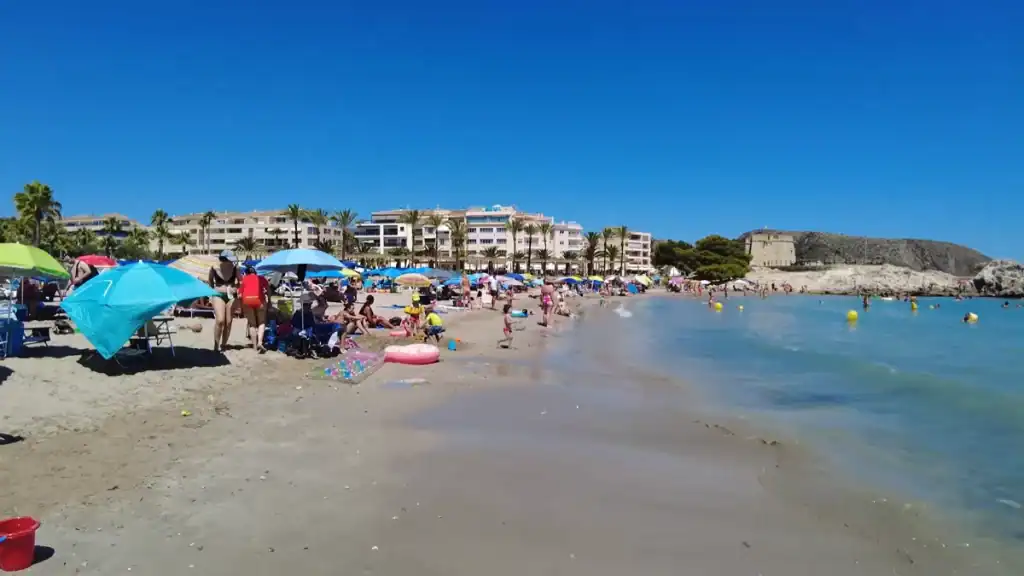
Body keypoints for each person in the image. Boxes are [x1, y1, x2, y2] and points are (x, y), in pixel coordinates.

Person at [208, 250, 239, 351]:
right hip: (218, 294)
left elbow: (241, 281)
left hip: (231, 296)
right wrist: (214, 292)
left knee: (228, 322)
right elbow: (210, 282)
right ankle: (216, 345)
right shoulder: (214, 268)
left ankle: (223, 344)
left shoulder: (235, 268)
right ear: (224, 259)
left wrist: (236, 288)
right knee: (220, 320)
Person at [239, 266, 270, 352]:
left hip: (247, 301)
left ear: (247, 273)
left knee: (252, 324)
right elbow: (268, 290)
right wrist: (269, 301)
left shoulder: (244, 279)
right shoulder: (261, 278)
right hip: (259, 300)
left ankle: (254, 347)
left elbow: (240, 295)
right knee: (261, 322)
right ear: (255, 272)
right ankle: (260, 342)